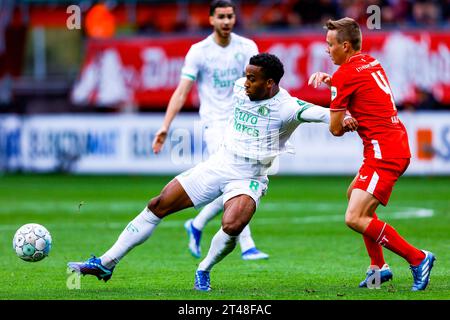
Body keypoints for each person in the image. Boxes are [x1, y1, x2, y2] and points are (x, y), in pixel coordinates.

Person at [68, 53, 347, 291]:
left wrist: (343, 110)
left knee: (233, 225)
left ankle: (204, 269)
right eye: (246, 76)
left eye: (252, 78)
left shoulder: (288, 107)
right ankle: (105, 263)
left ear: (270, 83)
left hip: (249, 177)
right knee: (157, 205)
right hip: (219, 164)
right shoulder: (241, 87)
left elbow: (329, 117)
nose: (245, 82)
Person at [308, 17, 436, 291]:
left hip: (384, 154)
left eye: (330, 45)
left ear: (344, 45)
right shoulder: (370, 62)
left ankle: (418, 258)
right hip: (393, 144)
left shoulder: (344, 76)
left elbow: (335, 129)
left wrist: (337, 96)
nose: (326, 50)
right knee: (353, 194)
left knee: (354, 217)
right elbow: (364, 91)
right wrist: (336, 85)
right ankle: (378, 268)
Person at [152, 0, 268, 261]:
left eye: (230, 16)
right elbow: (182, 91)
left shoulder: (247, 47)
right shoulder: (199, 51)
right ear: (211, 20)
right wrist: (165, 126)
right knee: (237, 178)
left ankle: (196, 224)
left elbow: (259, 87)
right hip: (214, 124)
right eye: (221, 17)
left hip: (241, 123)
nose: (226, 21)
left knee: (234, 181)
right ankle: (247, 245)